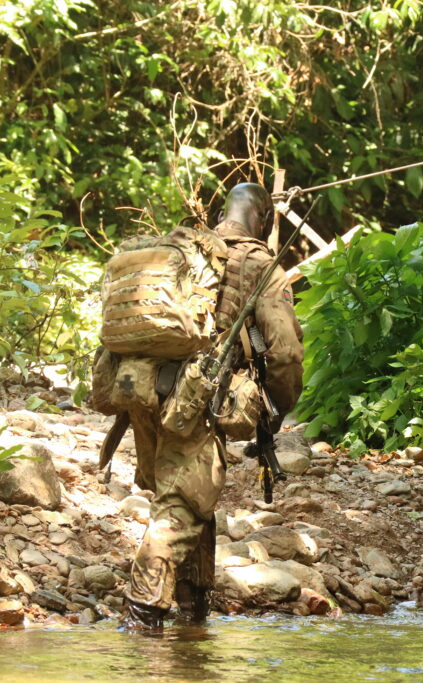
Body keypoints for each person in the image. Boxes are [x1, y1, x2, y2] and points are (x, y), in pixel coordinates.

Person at [122, 182, 304, 630]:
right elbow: (286, 352)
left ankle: (193, 607)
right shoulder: (261, 264)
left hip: (140, 390)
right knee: (183, 501)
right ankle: (141, 612)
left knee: (185, 490)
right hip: (199, 397)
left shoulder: (184, 251)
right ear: (261, 220)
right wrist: (279, 408)